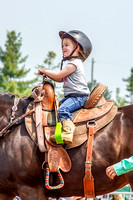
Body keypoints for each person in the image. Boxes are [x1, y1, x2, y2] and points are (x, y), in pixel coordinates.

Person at [38, 30, 92, 144]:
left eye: (67, 45)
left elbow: (58, 75)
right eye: (62, 45)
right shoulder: (71, 64)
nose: (63, 48)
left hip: (79, 97)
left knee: (63, 109)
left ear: (77, 48)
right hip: (71, 96)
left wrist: (45, 70)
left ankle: (68, 133)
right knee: (57, 108)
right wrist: (48, 75)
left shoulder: (75, 64)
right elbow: (59, 79)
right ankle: (58, 130)